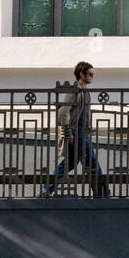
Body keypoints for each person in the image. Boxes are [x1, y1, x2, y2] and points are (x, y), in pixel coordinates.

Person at [41, 61, 110, 197]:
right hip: (78, 133)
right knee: (93, 165)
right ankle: (102, 194)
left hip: (83, 133)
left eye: (92, 74)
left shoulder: (85, 92)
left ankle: (46, 188)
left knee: (69, 164)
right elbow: (62, 112)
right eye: (89, 74)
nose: (92, 76)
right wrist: (69, 133)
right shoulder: (74, 91)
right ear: (81, 74)